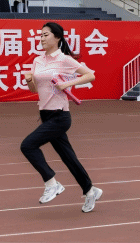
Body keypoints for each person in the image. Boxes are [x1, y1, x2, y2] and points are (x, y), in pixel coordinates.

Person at [21, 22, 102, 213]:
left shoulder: (64, 60)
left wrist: (67, 84)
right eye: (41, 35)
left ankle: (51, 183)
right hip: (45, 114)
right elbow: (34, 90)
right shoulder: (38, 60)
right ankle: (90, 190)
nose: (42, 38)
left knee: (28, 145)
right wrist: (29, 80)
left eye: (46, 35)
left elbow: (90, 75)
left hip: (59, 116)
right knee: (68, 157)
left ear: (57, 37)